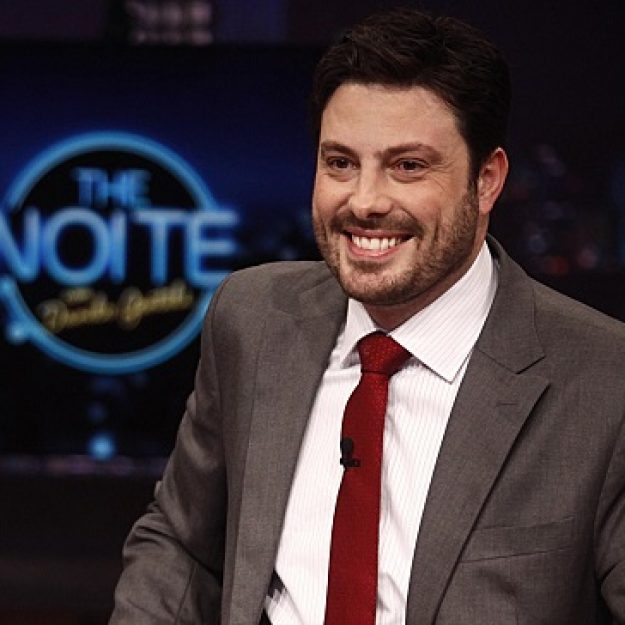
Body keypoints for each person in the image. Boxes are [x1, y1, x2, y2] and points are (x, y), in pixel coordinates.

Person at [109, 8, 625, 625]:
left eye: (408, 166)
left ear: (486, 181)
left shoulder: (604, 383)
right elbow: (182, 543)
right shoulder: (252, 319)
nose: (365, 201)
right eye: (340, 163)